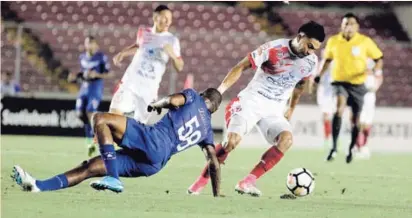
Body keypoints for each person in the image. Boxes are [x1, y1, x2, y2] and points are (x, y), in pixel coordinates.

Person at [187, 21, 325, 197]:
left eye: (314, 49)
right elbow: (241, 66)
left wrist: (290, 108)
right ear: (300, 36)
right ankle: (200, 182)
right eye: (309, 46)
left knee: (286, 140)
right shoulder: (273, 48)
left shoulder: (311, 62)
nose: (309, 52)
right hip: (251, 102)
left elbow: (300, 84)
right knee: (231, 142)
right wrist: (220, 91)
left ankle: (247, 182)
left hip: (274, 109)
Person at [12, 88, 223, 197]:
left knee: (100, 119)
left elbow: (173, 100)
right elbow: (213, 163)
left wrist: (157, 104)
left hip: (154, 140)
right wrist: (216, 194)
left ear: (204, 95)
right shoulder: (207, 131)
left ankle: (113, 178)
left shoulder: (193, 96)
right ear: (214, 109)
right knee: (91, 167)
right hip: (155, 164)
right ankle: (38, 186)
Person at [86, 5, 185, 157]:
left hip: (148, 91)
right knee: (113, 115)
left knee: (138, 129)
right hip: (130, 83)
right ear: (155, 17)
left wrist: (172, 54)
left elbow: (180, 66)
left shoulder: (172, 40)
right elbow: (139, 45)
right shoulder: (143, 31)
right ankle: (106, 155)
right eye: (164, 17)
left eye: (169, 19)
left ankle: (123, 154)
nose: (167, 21)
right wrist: (123, 53)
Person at [313, 13, 383, 163]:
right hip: (339, 83)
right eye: (346, 23)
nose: (348, 26)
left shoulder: (365, 41)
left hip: (358, 84)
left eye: (351, 23)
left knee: (356, 119)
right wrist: (319, 75)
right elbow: (327, 60)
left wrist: (375, 71)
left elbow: (379, 58)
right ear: (341, 26)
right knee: (338, 109)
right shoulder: (333, 41)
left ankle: (351, 148)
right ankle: (333, 147)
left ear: (357, 26)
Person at [68, 36, 112, 155]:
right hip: (84, 89)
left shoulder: (101, 57)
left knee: (90, 113)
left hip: (95, 89)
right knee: (80, 114)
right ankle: (90, 141)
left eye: (92, 43)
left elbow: (109, 74)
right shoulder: (82, 57)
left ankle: (97, 141)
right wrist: (75, 77)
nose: (89, 46)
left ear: (96, 45)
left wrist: (97, 74)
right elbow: (83, 74)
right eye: (87, 43)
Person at [355, 59, 383, 159]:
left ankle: (365, 145)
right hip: (361, 97)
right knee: (360, 123)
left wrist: (375, 87)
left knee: (367, 124)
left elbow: (380, 78)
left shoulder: (376, 71)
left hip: (370, 98)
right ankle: (358, 146)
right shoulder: (359, 71)